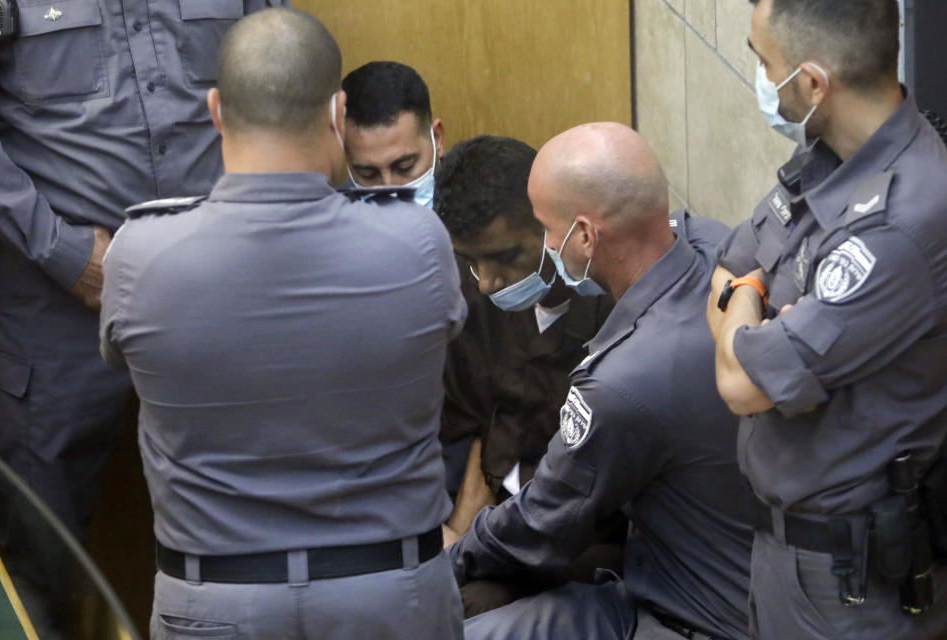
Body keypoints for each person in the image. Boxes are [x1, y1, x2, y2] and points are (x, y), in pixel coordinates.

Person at [99, 9, 466, 639]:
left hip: (212, 604)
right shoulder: (417, 242)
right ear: (336, 112)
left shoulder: (138, 255)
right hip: (389, 599)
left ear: (215, 110)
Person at [0, 0, 281, 631]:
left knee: (257, 530)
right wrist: (66, 254)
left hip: (219, 293)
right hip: (56, 302)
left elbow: (284, 79)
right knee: (37, 551)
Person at [449, 122, 753, 640]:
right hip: (695, 576)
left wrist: (449, 559)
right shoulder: (710, 243)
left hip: (686, 615)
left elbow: (543, 521)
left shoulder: (622, 380)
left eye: (546, 228)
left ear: (586, 235)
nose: (544, 245)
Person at [708, 1, 947, 638]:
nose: (760, 75)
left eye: (765, 62)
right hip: (784, 552)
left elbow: (739, 385)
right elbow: (723, 273)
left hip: (849, 582)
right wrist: (752, 313)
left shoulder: (900, 220)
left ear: (813, 83)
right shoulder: (831, 153)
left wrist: (744, 307)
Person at [433, 135, 617, 615]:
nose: (489, 281)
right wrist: (457, 530)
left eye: (508, 256)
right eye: (473, 261)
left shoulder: (615, 299)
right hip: (495, 527)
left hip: (593, 539)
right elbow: (464, 419)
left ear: (553, 226)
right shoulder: (471, 299)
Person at [342, 61, 445, 207]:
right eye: (368, 174)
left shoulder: (482, 210)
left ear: (437, 138)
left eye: (405, 167)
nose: (389, 190)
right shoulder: (332, 223)